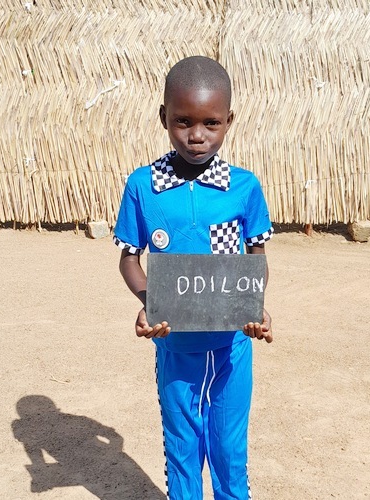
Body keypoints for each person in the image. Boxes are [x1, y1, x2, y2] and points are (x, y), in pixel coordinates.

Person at [114, 55, 273, 499]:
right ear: (164, 117)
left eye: (211, 123)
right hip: (175, 345)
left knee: (228, 449)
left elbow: (256, 258)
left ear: (228, 121)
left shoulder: (243, 187)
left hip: (231, 346)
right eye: (183, 121)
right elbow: (129, 259)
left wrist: (255, 305)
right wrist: (150, 302)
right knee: (182, 448)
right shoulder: (142, 187)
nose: (197, 135)